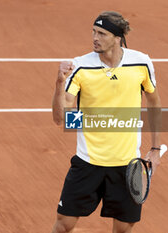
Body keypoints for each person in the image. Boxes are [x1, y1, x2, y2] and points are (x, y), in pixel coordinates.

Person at [51, 11, 162, 233]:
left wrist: (155, 148)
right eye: (93, 32)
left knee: (123, 229)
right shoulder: (80, 67)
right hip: (88, 163)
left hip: (127, 165)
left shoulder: (141, 63)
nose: (95, 37)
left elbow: (154, 103)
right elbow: (60, 118)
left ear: (117, 37)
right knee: (63, 225)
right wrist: (59, 84)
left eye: (101, 33)